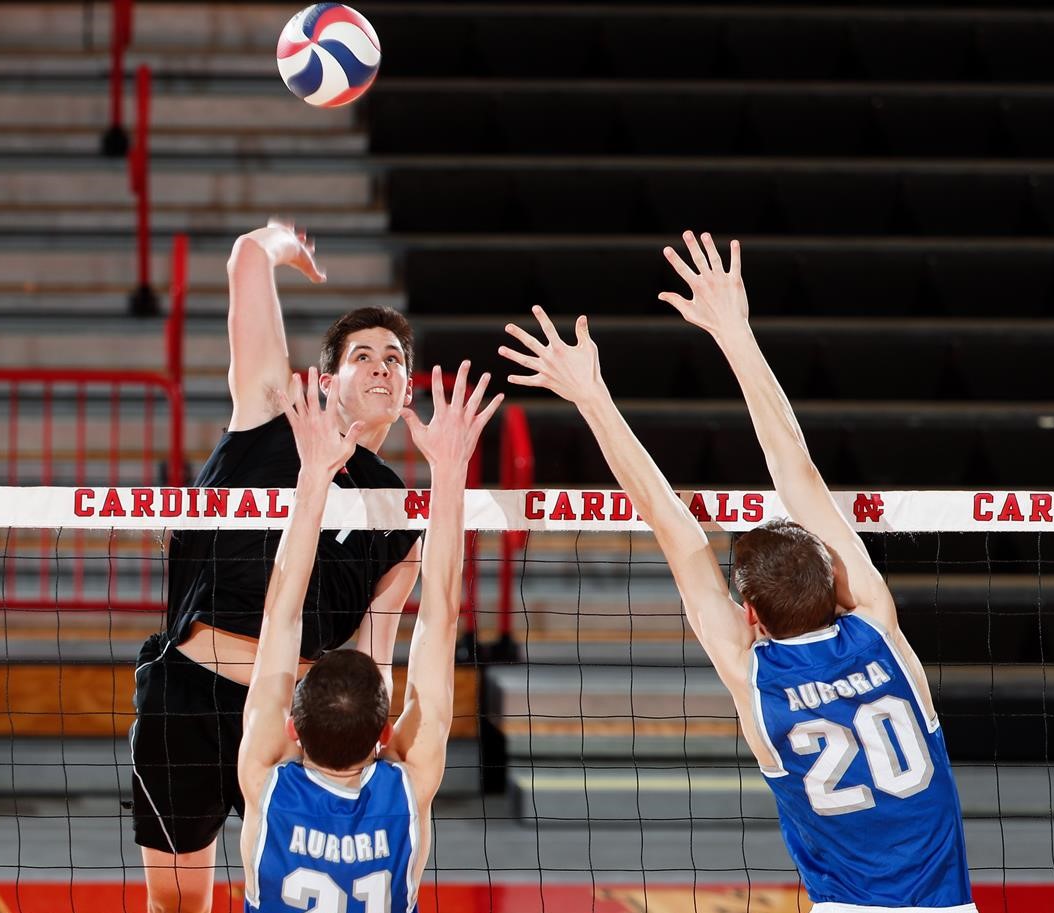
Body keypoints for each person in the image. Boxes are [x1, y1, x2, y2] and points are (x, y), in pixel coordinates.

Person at [498, 231, 976, 913]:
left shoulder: (758, 684)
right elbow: (798, 471)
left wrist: (592, 396)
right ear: (836, 581)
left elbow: (673, 527)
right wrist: (734, 329)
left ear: (751, 616)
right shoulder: (880, 631)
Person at [133, 221, 425, 913]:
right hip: (188, 698)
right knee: (178, 905)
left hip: (297, 727)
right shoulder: (271, 416)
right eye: (363, 355)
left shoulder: (402, 516)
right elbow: (244, 259)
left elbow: (375, 659)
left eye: (395, 358)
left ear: (408, 390)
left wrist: (370, 747)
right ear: (327, 380)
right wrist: (279, 244)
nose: (383, 365)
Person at [237, 362, 500, 913]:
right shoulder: (405, 790)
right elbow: (441, 619)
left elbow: (281, 616)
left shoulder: (266, 782)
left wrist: (312, 477)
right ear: (386, 732)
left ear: (292, 727)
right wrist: (449, 473)